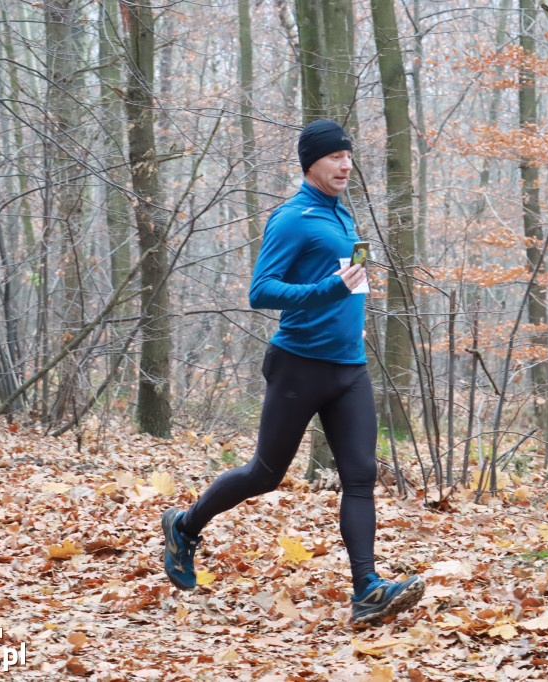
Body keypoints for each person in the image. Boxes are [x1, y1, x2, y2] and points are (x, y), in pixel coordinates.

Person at [161, 119, 425, 626]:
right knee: (265, 473)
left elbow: (346, 280)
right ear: (311, 163)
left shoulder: (343, 216)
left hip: (349, 368)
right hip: (299, 365)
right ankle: (186, 525)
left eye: (348, 156)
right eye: (334, 157)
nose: (346, 164)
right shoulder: (292, 218)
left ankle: (367, 588)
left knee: (361, 477)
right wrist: (326, 291)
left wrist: (351, 298)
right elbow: (262, 291)